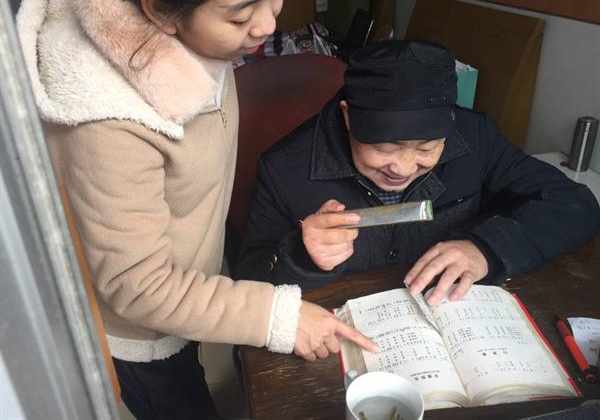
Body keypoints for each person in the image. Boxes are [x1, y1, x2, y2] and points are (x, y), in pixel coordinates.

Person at [16, 0, 377, 418]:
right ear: (161, 11)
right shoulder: (107, 122)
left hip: (188, 291)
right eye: (241, 14)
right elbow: (141, 287)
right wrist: (277, 318)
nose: (267, 24)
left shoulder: (200, 34)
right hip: (141, 333)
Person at [235, 40, 600, 306]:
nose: (404, 168)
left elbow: (573, 204)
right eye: (384, 148)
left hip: (451, 314)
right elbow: (248, 278)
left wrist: (487, 249)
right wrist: (301, 255)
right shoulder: (284, 167)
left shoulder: (475, 136)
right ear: (348, 116)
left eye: (427, 149)